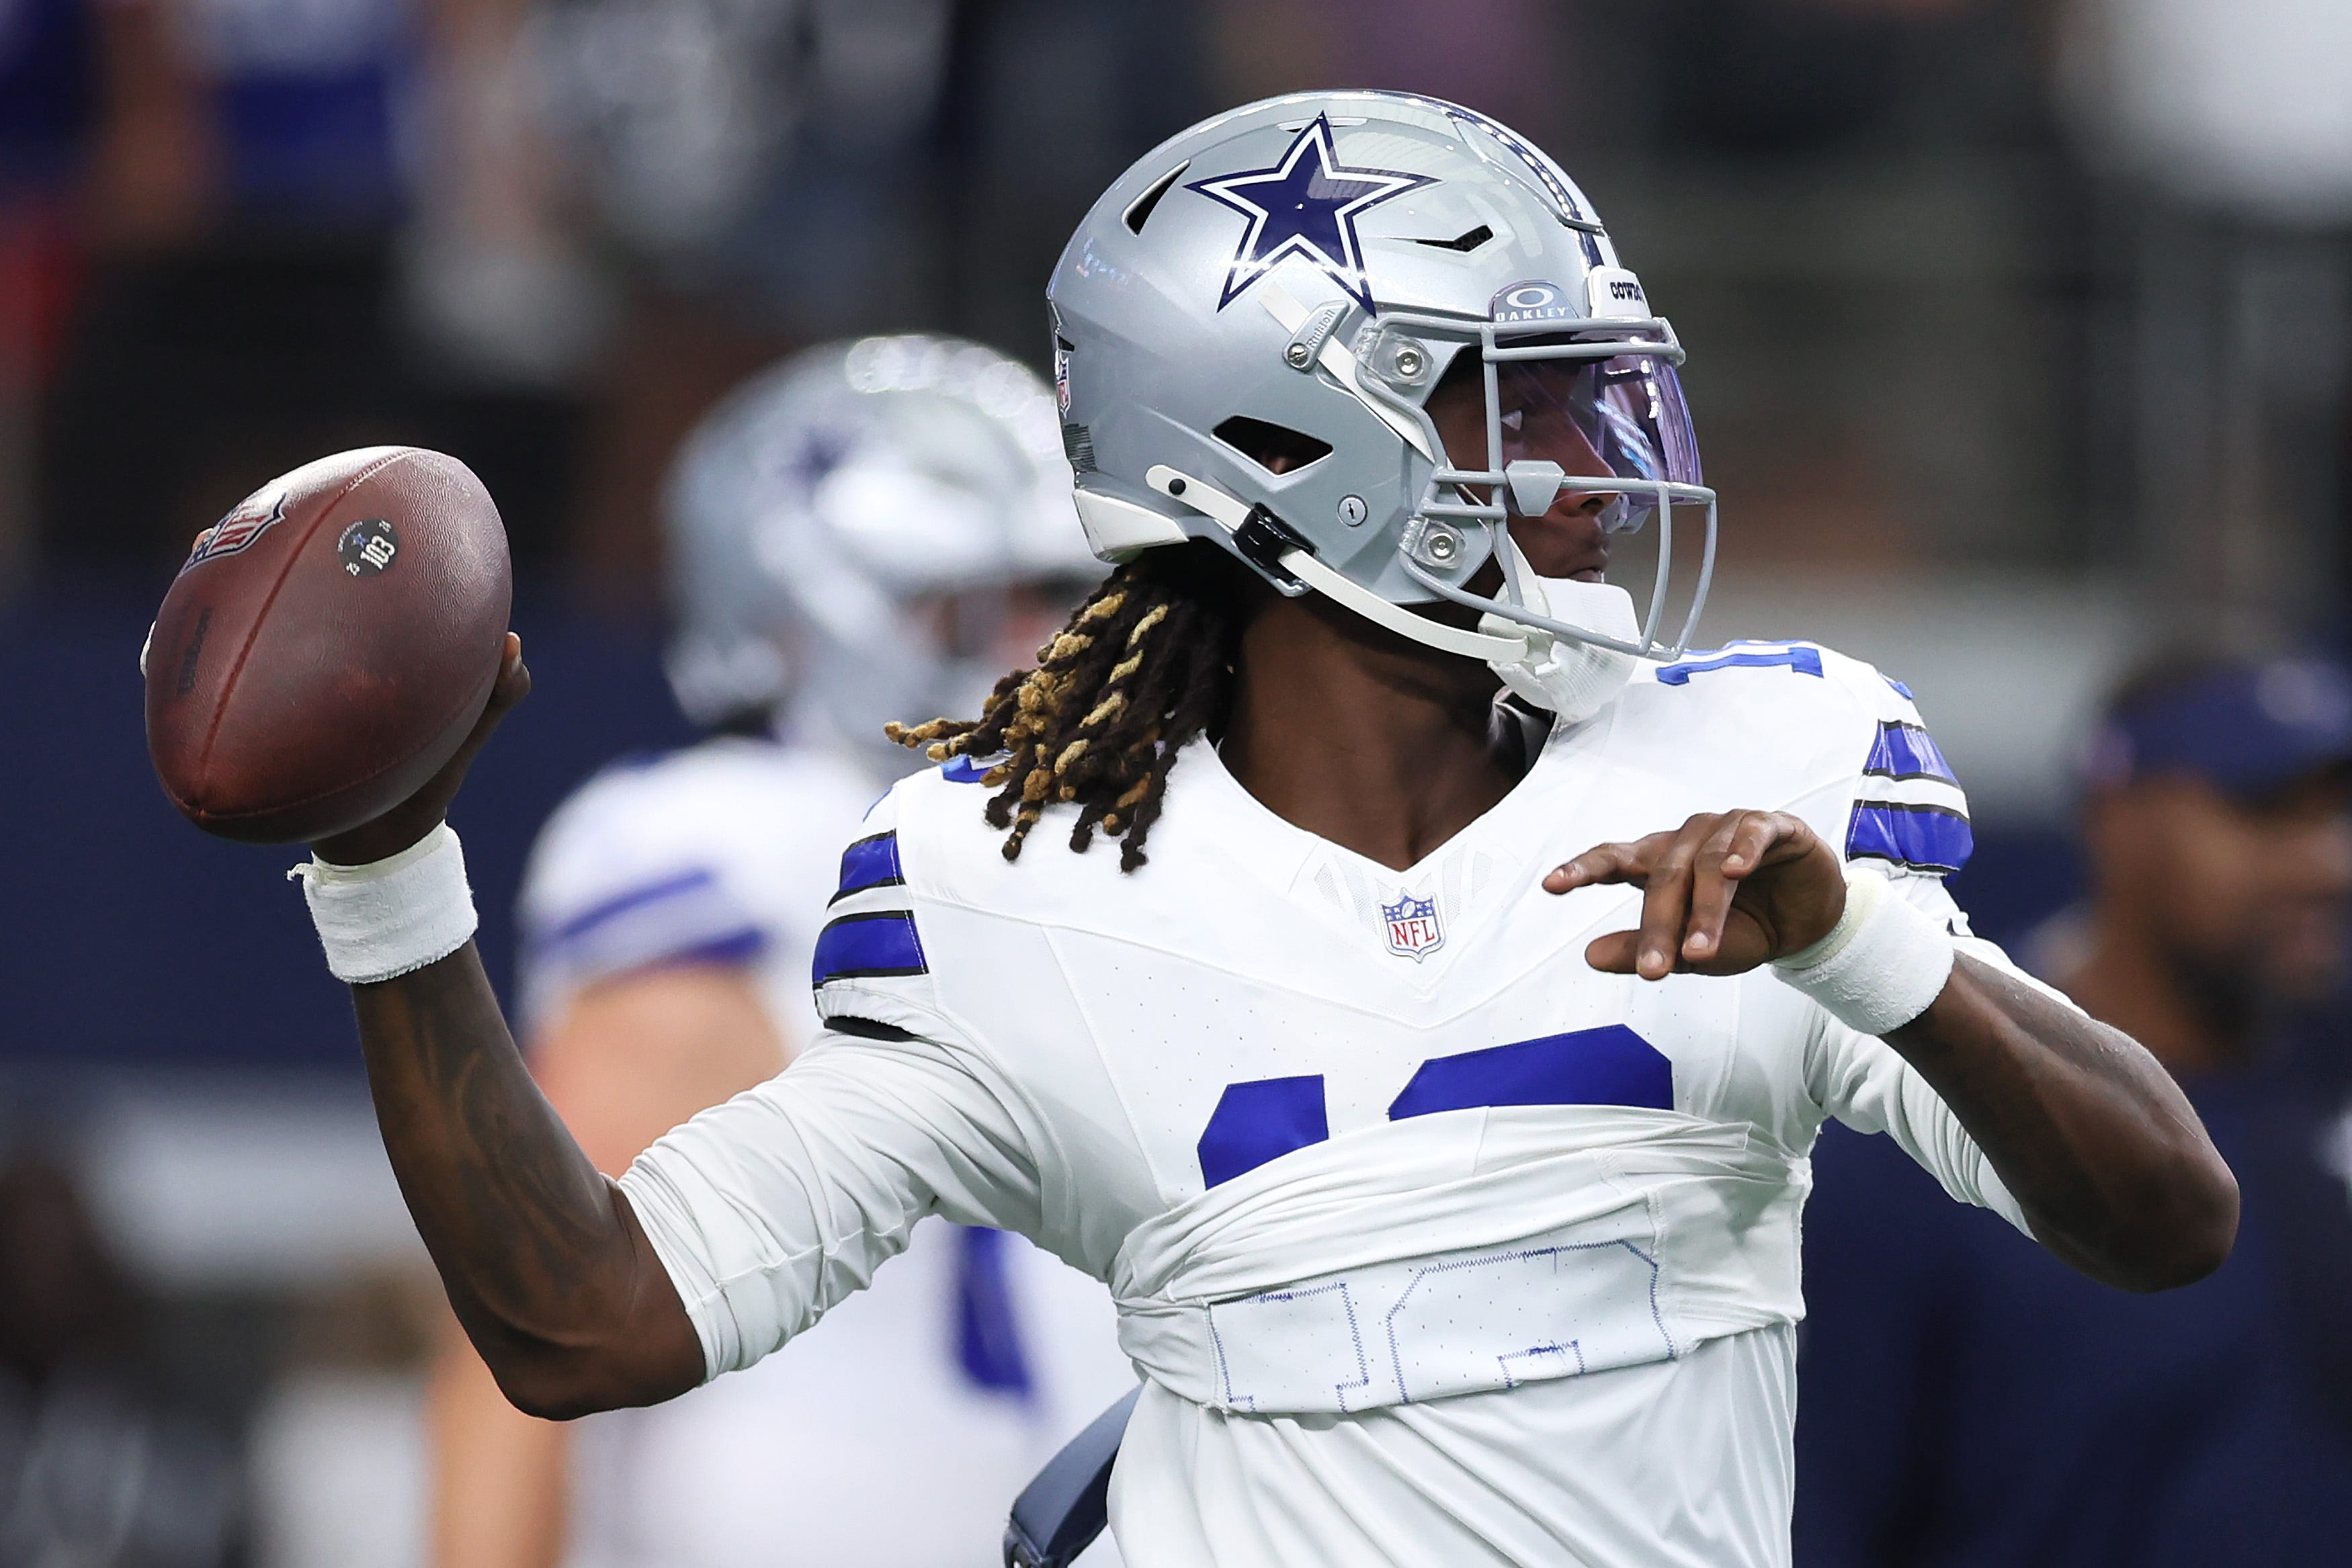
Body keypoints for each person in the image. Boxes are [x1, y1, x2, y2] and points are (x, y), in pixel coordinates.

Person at [268, 91, 2236, 1567]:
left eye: (1594, 402)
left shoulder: (1762, 767)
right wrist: (385, 880)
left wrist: (1868, 950)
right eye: (1512, 406)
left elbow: (2165, 1215)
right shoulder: (1007, 879)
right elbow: (590, 1321)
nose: (1591, 474)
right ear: (1276, 456)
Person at [425, 335, 1136, 1568]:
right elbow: (521, 1313)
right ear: (813, 614)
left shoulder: (1105, 857)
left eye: (1066, 597)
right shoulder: (739, 833)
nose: (1054, 641)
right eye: (989, 598)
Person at [1795, 650, 2352, 1567]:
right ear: (2116, 817)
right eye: (2263, 812)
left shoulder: (2325, 1078)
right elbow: (1827, 1508)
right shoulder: (1930, 1112)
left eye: (2333, 816)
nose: (2325, 863)